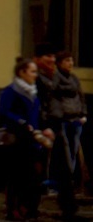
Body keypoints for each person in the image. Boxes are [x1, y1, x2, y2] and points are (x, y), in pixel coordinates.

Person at [0, 56, 54, 221]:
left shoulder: (33, 92)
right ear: (22, 72)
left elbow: (37, 115)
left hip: (33, 141)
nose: (35, 75)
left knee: (33, 178)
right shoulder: (10, 91)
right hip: (17, 141)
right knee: (17, 177)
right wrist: (22, 123)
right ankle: (14, 210)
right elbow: (4, 113)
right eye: (32, 71)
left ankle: (30, 209)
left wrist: (44, 129)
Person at [52, 50, 86, 220]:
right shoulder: (56, 78)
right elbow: (56, 98)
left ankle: (71, 182)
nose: (70, 63)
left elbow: (81, 97)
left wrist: (83, 115)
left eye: (71, 60)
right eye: (67, 60)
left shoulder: (74, 79)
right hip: (63, 121)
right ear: (59, 63)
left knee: (73, 154)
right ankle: (64, 184)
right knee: (65, 156)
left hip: (76, 120)